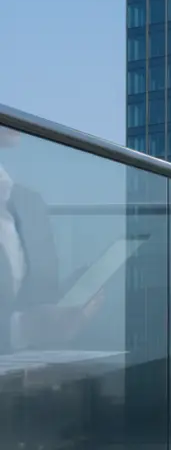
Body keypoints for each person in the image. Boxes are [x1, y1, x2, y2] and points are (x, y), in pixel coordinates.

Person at [0, 126, 100, 352]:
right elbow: (27, 322)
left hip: (38, 373)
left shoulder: (29, 203)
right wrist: (22, 328)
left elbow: (37, 299)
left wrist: (68, 299)